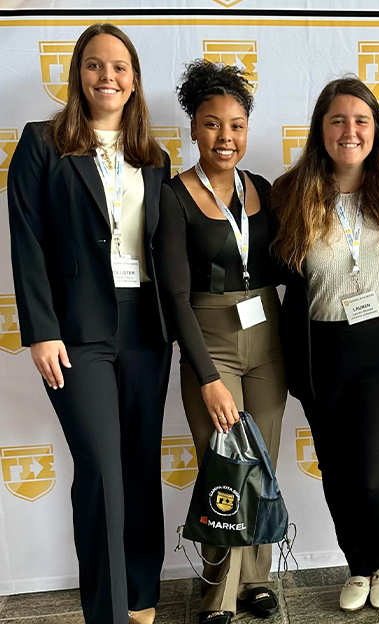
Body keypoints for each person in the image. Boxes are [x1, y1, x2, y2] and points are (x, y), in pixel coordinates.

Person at [7, 23, 172, 624]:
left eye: (120, 67)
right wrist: (41, 329)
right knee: (101, 469)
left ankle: (143, 595)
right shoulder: (41, 143)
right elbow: (26, 241)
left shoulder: (154, 158)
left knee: (139, 464)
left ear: (134, 81)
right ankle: (106, 611)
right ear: (78, 73)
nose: (109, 76)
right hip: (77, 333)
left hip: (146, 331)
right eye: (96, 65)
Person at [270, 76, 379, 613]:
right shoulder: (290, 193)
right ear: (321, 129)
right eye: (337, 120)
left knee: (373, 472)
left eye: (361, 120)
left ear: (376, 129)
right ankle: (358, 564)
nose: (349, 131)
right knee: (336, 470)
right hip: (320, 351)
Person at [155, 60, 287, 624]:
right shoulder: (174, 195)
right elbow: (175, 297)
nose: (224, 137)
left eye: (235, 124)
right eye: (212, 124)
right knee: (223, 467)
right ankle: (215, 593)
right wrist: (206, 375)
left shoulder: (263, 189)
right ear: (193, 128)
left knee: (263, 463)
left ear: (248, 129)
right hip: (211, 342)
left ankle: (254, 580)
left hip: (268, 339)